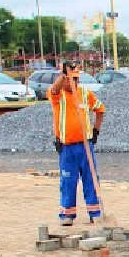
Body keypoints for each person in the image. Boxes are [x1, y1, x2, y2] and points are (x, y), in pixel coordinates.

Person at [49, 62, 106, 226]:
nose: (73, 83)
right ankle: (67, 214)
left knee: (91, 178)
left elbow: (100, 109)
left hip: (85, 145)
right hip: (67, 146)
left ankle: (95, 212)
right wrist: (64, 75)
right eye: (70, 80)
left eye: (75, 80)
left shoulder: (85, 94)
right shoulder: (58, 95)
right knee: (68, 180)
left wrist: (96, 130)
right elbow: (53, 90)